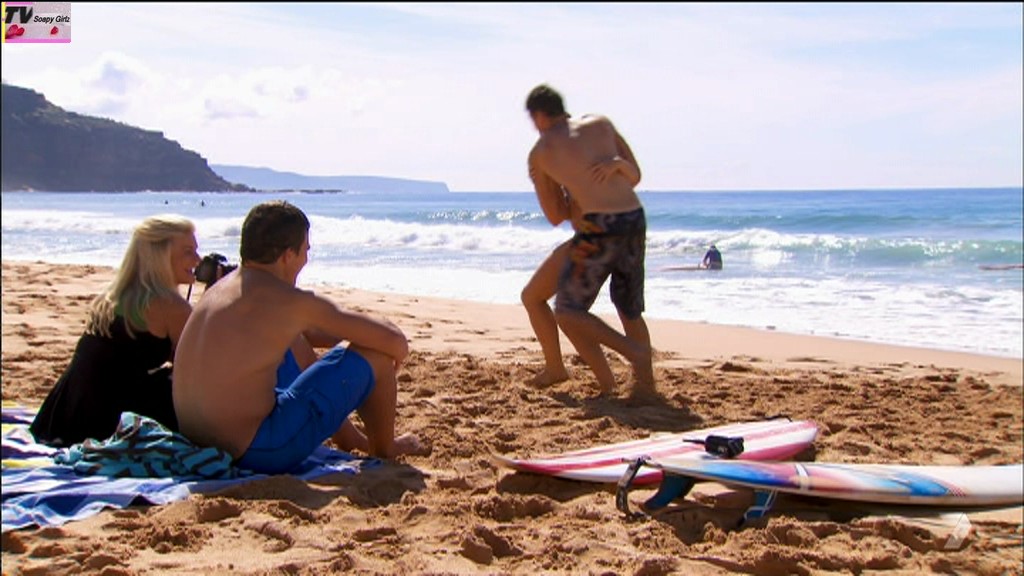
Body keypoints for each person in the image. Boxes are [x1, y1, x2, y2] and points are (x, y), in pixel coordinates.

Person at [172, 200, 423, 475]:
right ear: (287, 255)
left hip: (199, 441)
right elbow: (395, 342)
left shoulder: (222, 289)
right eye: (306, 251)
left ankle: (349, 438)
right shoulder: (286, 301)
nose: (306, 259)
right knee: (377, 355)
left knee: (295, 339)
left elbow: (313, 332)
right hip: (256, 450)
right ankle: (384, 448)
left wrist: (345, 333)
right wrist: (376, 354)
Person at [525, 83, 654, 397]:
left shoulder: (542, 151)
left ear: (539, 116)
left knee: (568, 311)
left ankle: (633, 353)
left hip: (599, 228)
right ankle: (643, 385)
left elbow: (555, 214)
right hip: (633, 219)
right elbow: (634, 175)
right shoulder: (601, 122)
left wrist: (547, 181)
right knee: (628, 307)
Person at [30, 215, 201, 447]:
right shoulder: (170, 306)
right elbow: (197, 369)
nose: (198, 260)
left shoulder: (115, 294)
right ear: (159, 256)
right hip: (106, 420)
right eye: (188, 252)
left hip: (65, 411)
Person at [520, 190, 581, 388]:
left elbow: (556, 216)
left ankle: (555, 368)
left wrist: (541, 179)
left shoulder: (569, 171)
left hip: (590, 240)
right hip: (623, 233)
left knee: (533, 298)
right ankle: (643, 380)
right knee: (628, 311)